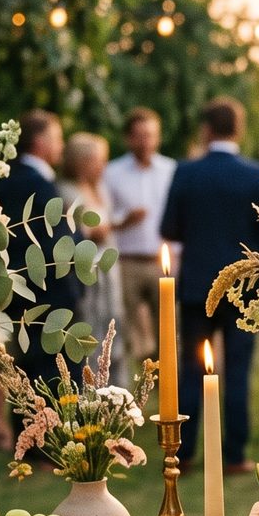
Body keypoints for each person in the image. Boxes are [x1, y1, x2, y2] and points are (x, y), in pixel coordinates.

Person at [159, 96, 259, 470]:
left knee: (192, 369)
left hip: (196, 284)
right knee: (238, 371)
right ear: (238, 129)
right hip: (244, 290)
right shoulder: (255, 174)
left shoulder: (185, 171)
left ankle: (184, 452)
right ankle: (236, 454)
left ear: (205, 129)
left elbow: (168, 228)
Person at [0, 109, 83, 449]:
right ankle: (50, 444)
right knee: (53, 366)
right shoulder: (36, 182)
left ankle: (32, 441)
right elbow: (55, 239)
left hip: (24, 287)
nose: (61, 145)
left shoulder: (10, 178)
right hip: (50, 289)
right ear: (41, 142)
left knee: (30, 365)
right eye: (57, 138)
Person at [102, 107, 175, 368]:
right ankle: (137, 378)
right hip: (126, 260)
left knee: (167, 327)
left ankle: (166, 381)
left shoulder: (171, 170)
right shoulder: (112, 172)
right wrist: (125, 220)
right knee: (126, 327)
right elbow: (102, 214)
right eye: (140, 136)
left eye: (151, 135)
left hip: (162, 260)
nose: (146, 141)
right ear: (128, 138)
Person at [59, 131, 128, 386]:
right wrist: (119, 225)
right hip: (89, 271)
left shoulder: (100, 188)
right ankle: (93, 388)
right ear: (81, 161)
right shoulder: (66, 192)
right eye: (98, 160)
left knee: (114, 325)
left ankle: (116, 389)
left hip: (110, 270)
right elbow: (79, 234)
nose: (103, 166)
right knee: (92, 327)